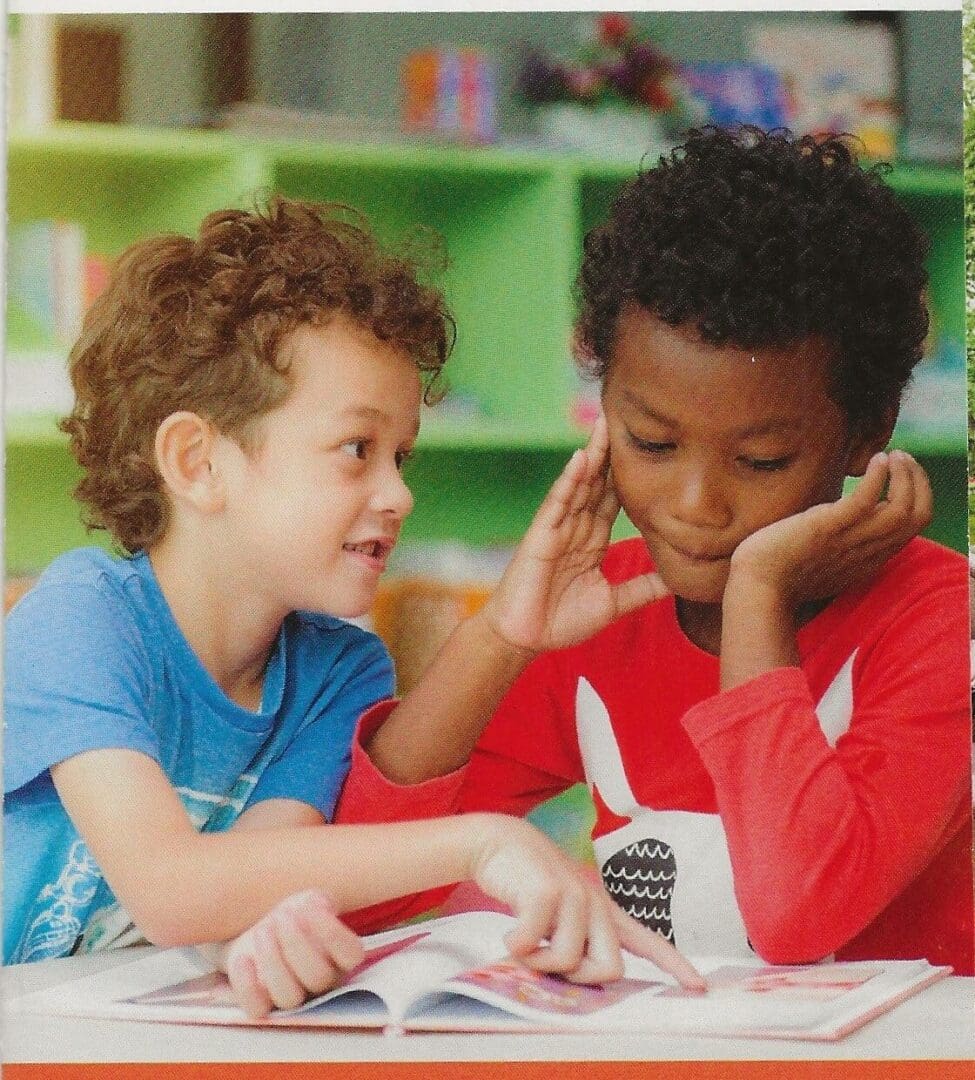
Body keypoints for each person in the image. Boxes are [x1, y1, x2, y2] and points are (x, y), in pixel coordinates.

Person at [3, 197, 702, 1020]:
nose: (399, 493)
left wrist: (254, 937)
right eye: (356, 450)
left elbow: (254, 873)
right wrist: (488, 841)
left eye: (401, 455)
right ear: (197, 462)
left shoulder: (341, 667)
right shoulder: (81, 617)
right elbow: (170, 890)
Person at [336, 126, 974, 975]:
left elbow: (793, 917)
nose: (695, 505)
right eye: (651, 441)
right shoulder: (606, 609)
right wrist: (502, 638)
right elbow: (365, 887)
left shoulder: (940, 621)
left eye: (760, 462)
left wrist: (756, 596)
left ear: (866, 434)